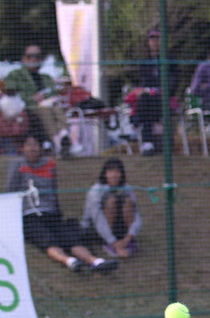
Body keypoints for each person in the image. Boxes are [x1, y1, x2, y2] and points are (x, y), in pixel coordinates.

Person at [5, 135, 118, 274]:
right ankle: (69, 261)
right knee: (46, 240)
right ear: (22, 148)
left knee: (70, 238)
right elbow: (10, 192)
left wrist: (57, 211)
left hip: (51, 214)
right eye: (28, 145)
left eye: (35, 144)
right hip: (29, 216)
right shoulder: (17, 165)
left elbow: (54, 190)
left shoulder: (49, 164)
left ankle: (95, 261)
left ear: (41, 147)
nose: (32, 148)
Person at [3, 44, 70, 156]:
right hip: (28, 108)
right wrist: (30, 98)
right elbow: (11, 93)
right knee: (46, 111)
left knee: (57, 108)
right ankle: (58, 142)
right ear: (23, 58)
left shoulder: (46, 77)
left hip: (49, 105)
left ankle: (64, 136)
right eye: (30, 56)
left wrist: (45, 97)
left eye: (37, 56)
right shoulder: (15, 75)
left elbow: (53, 92)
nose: (34, 59)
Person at [127, 28, 179, 156]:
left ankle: (138, 130)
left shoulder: (170, 60)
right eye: (152, 39)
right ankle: (147, 143)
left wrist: (157, 91)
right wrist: (147, 90)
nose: (155, 42)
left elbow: (173, 84)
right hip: (150, 100)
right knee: (145, 100)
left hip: (164, 100)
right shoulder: (145, 62)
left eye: (158, 39)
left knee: (146, 102)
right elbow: (144, 83)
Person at [80, 158, 141, 259]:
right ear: (105, 174)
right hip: (95, 229)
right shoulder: (95, 191)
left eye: (117, 171)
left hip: (120, 226)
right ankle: (108, 243)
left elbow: (136, 214)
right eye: (110, 171)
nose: (114, 175)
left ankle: (127, 241)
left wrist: (129, 237)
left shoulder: (126, 188)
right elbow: (97, 219)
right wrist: (113, 242)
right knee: (111, 200)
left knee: (127, 200)